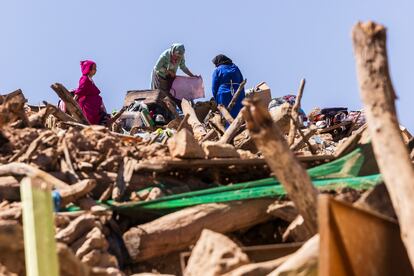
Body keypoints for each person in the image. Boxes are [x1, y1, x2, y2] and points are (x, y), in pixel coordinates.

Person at [74, 60, 108, 125]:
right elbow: (80, 90)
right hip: (88, 106)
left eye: (96, 69)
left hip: (93, 106)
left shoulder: (89, 79)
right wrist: (73, 101)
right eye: (94, 69)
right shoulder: (84, 79)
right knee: (91, 119)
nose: (96, 70)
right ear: (88, 69)